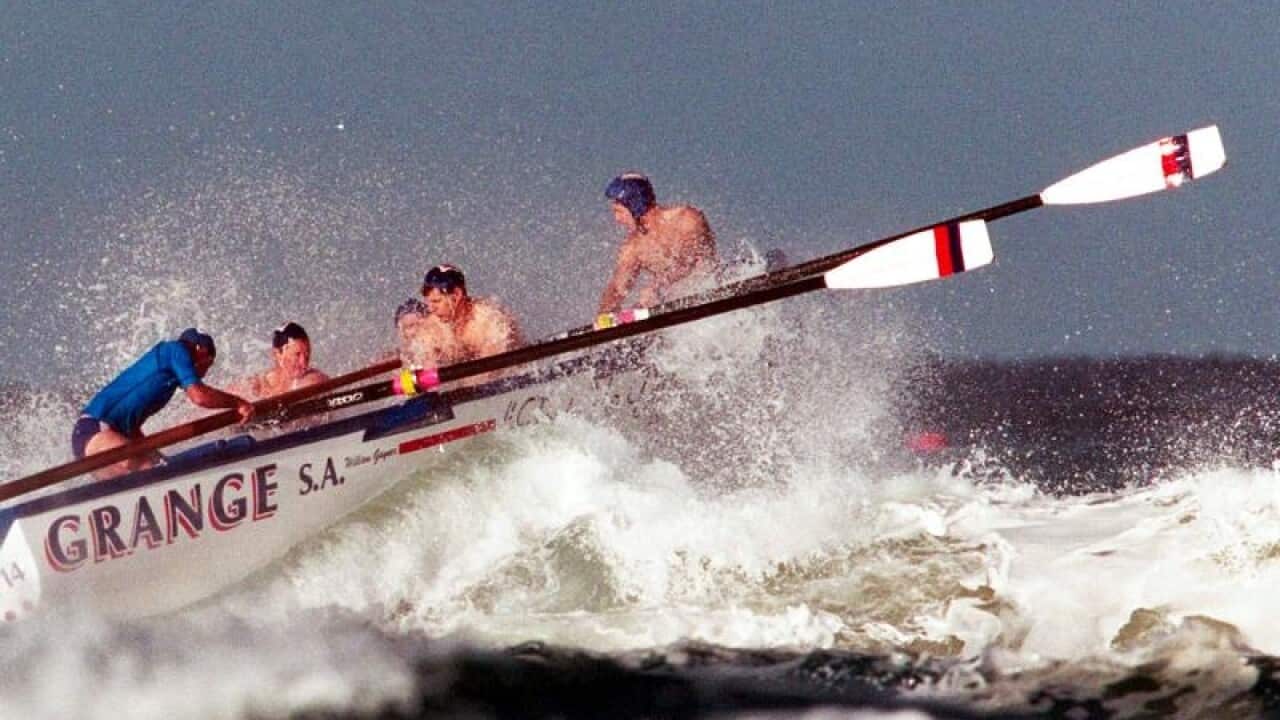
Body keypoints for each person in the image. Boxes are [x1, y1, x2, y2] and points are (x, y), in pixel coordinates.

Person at [71, 328, 254, 480]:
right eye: (207, 365)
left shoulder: (164, 379)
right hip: (96, 429)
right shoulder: (176, 350)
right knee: (151, 472)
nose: (204, 374)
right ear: (201, 351)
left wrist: (160, 459)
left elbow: (133, 428)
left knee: (159, 469)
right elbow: (200, 397)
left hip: (98, 437)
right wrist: (238, 403)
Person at [597, 173, 719, 314]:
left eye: (619, 211)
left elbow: (690, 259)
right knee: (642, 308)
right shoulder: (634, 247)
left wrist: (658, 287)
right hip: (677, 311)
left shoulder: (686, 218)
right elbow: (617, 288)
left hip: (712, 294)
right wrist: (604, 316)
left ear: (635, 205)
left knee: (651, 297)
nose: (617, 219)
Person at [404, 264, 524, 368]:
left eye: (436, 301)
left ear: (456, 295)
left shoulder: (490, 321)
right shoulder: (433, 328)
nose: (430, 309)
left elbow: (488, 375)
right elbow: (420, 366)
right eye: (428, 303)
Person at [237, 322, 329, 399]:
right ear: (277, 354)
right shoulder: (257, 384)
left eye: (307, 355)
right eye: (297, 355)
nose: (304, 362)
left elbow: (316, 382)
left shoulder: (312, 379)